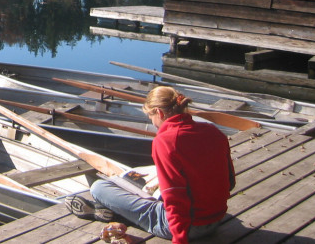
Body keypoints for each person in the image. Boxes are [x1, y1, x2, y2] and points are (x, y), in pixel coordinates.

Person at [65, 86, 235, 244]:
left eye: (151, 117)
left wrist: (179, 239)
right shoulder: (213, 131)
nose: (153, 123)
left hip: (188, 228)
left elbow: (175, 199)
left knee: (99, 188)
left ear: (159, 113)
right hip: (217, 218)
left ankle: (115, 213)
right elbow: (230, 182)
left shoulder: (166, 142)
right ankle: (114, 211)